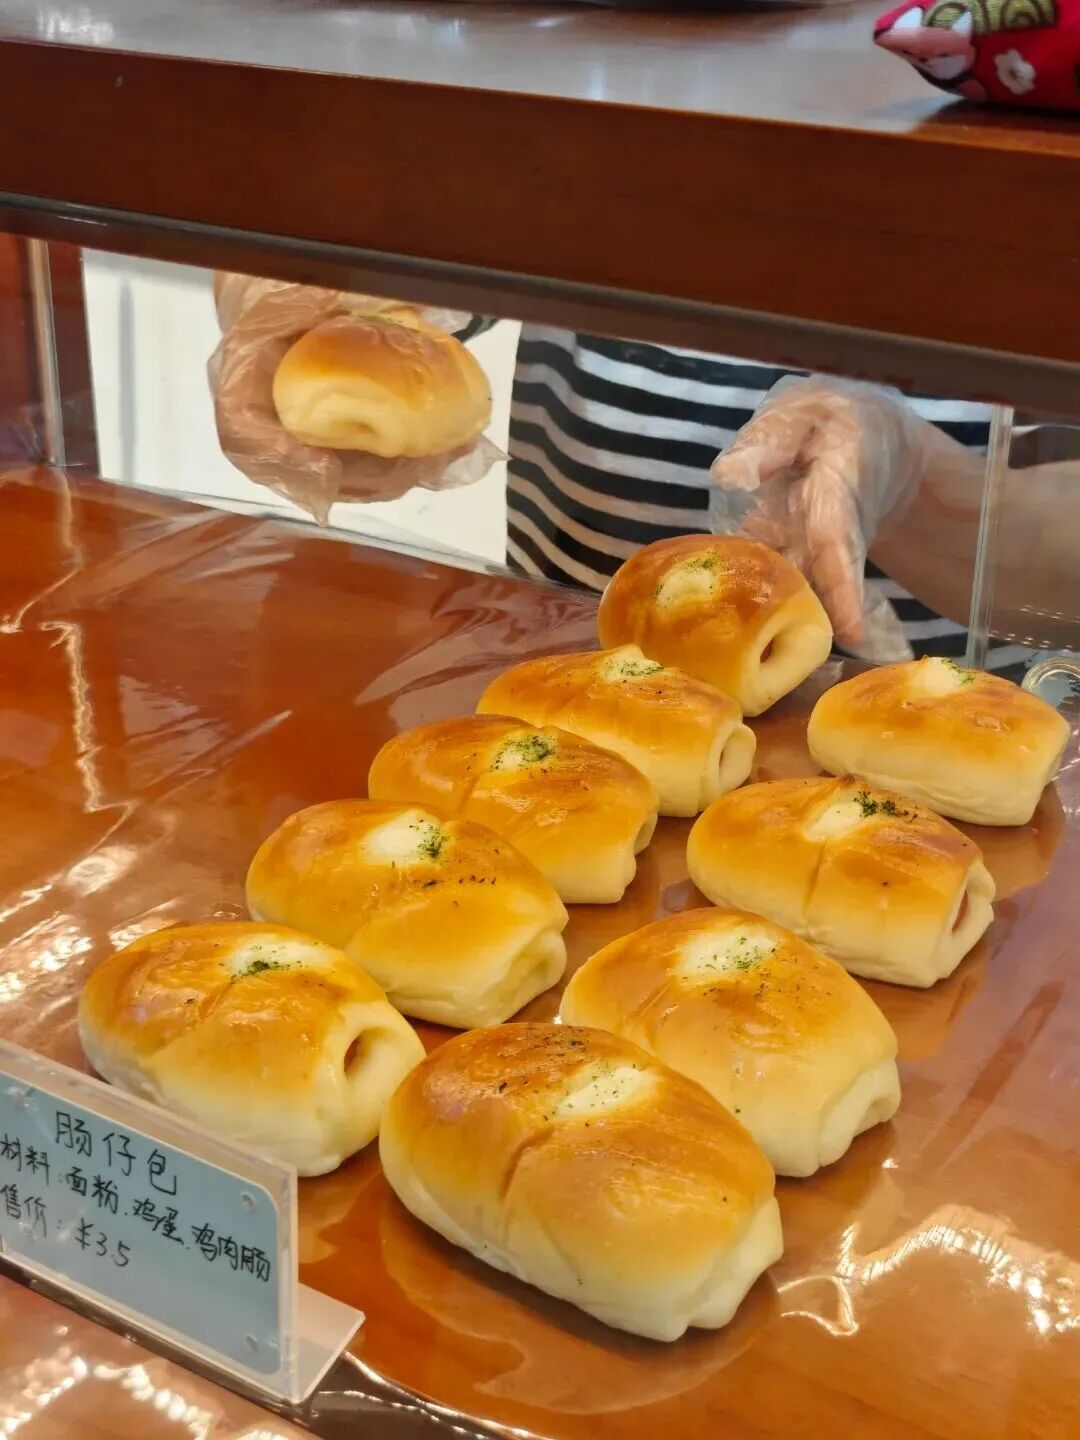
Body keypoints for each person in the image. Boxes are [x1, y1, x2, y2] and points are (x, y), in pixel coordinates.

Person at [210, 276, 1080, 669]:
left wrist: (917, 481)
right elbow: (379, 186)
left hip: (944, 730)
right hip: (576, 681)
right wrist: (292, 309)